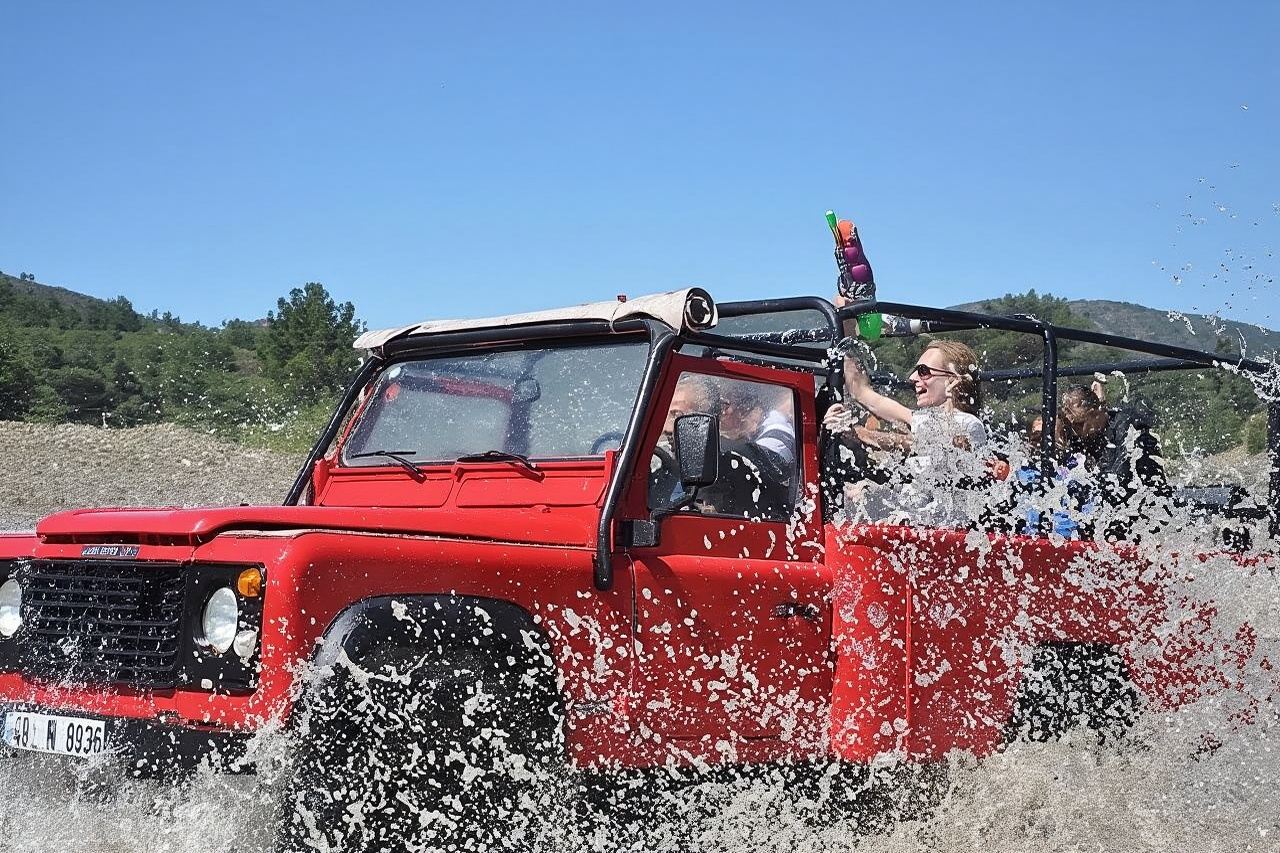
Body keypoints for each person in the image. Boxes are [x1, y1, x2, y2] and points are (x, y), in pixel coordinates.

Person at [823, 339, 987, 456]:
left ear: (953, 379)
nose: (913, 377)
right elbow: (863, 393)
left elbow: (931, 444)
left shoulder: (970, 425)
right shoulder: (924, 419)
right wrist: (844, 341)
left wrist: (860, 434)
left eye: (923, 371)